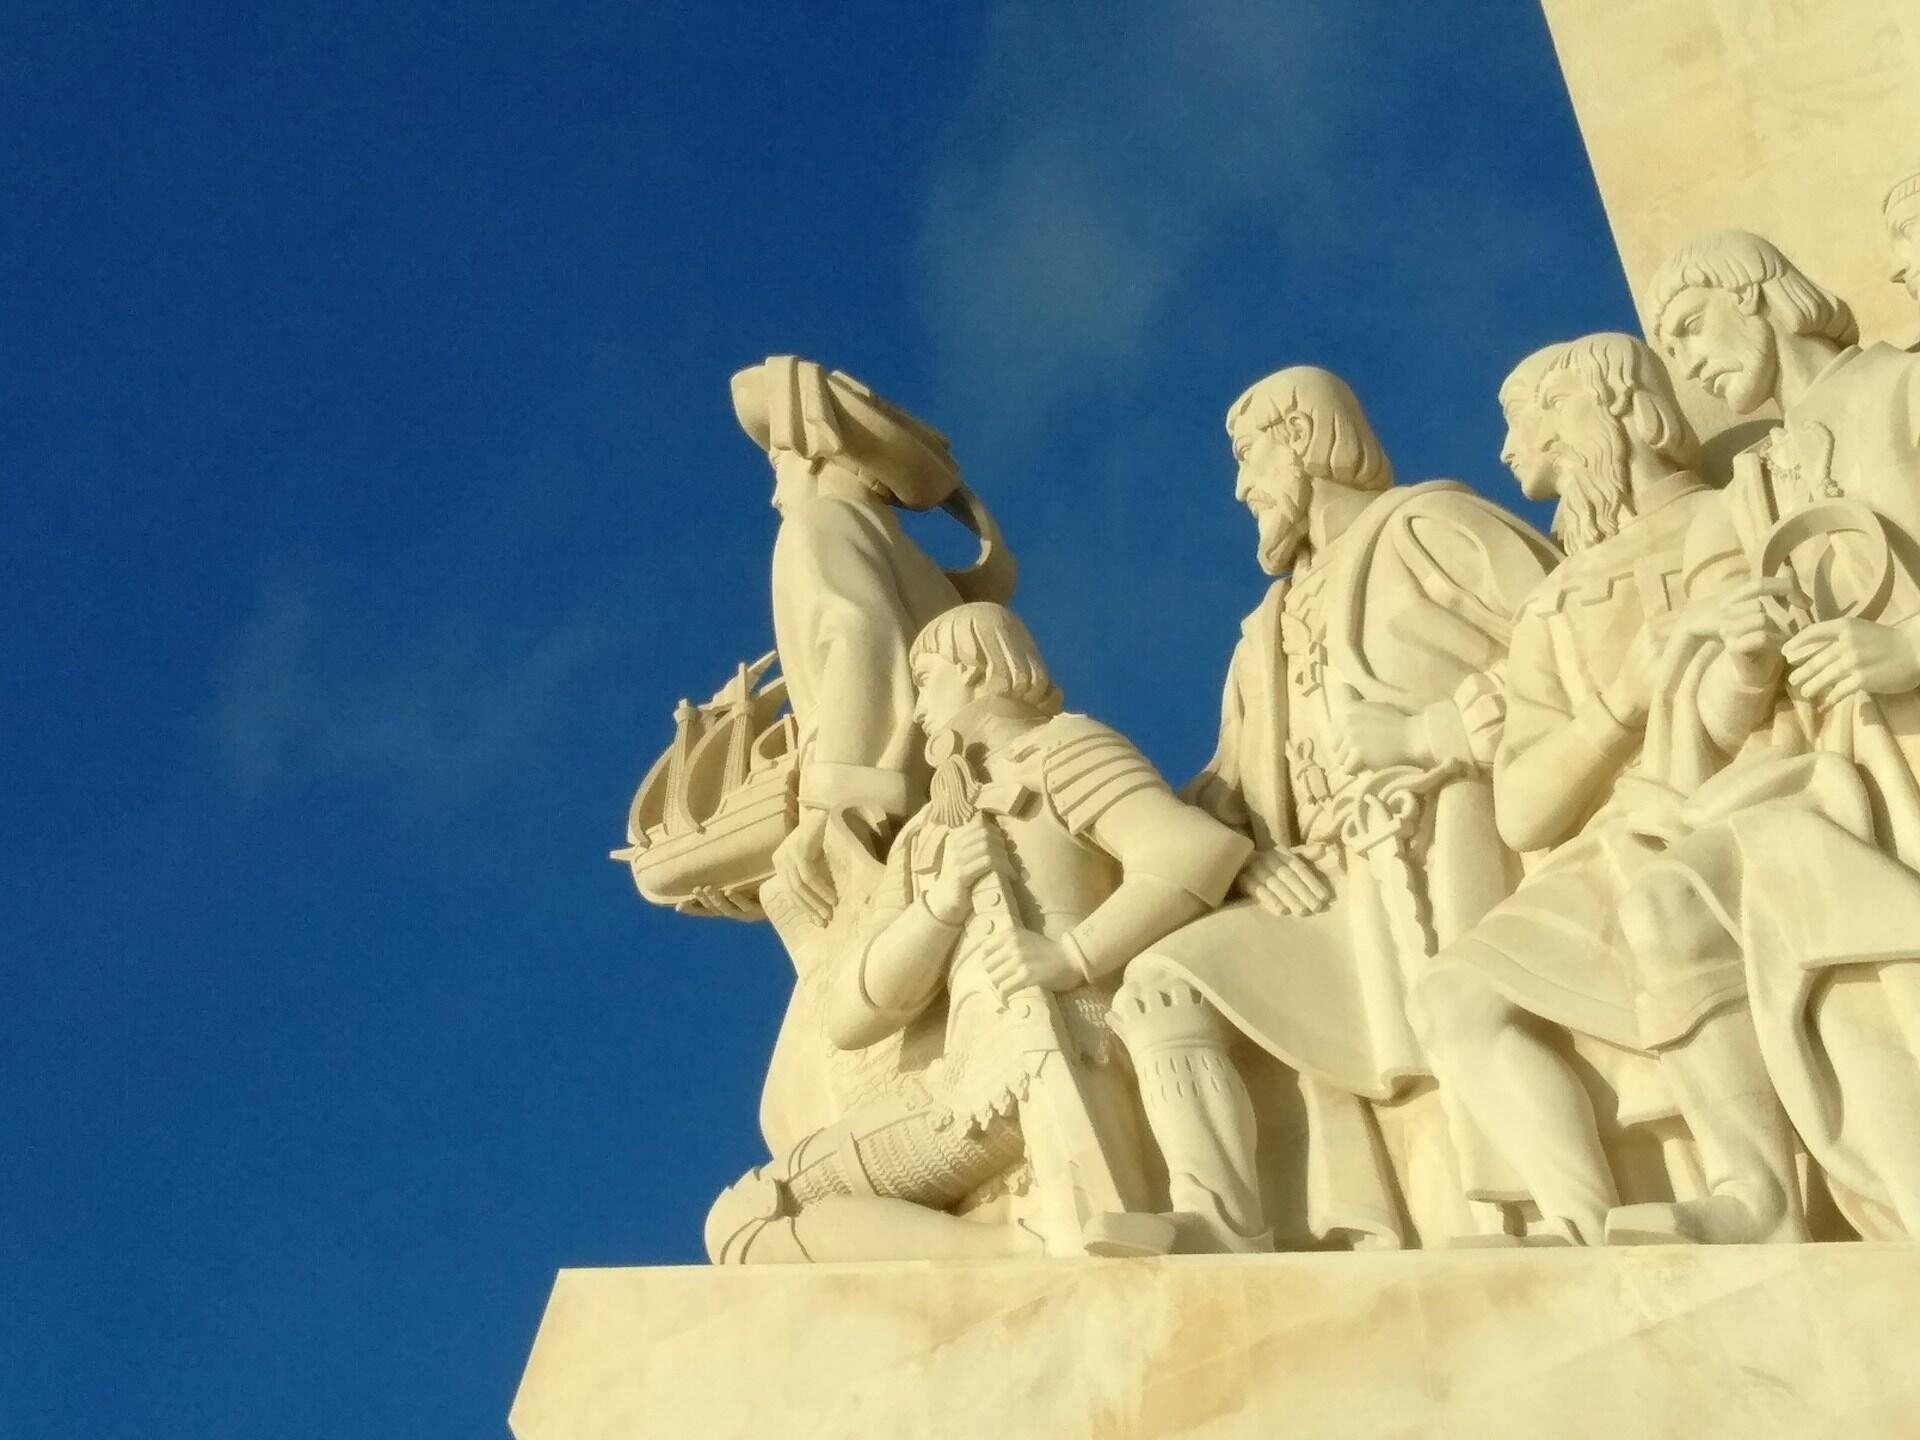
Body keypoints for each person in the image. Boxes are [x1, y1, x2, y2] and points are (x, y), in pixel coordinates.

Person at [1110, 366, 1558, 1252]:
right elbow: (1225, 785)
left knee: (1462, 1022)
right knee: (1159, 987)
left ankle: (1538, 1214)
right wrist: (1240, 856)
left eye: (1250, 457)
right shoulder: (1262, 632)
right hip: (1318, 890)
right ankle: (1221, 1227)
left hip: (1444, 833)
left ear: (1306, 441)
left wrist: (1438, 733)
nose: (1242, 488)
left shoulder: (1429, 528)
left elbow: (1571, 638)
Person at [1408, 333, 1803, 1247]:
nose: (1509, 452)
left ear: (1612, 405)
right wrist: (1625, 699)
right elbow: (1526, 809)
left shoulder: (1723, 519)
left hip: (1734, 802)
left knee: (1664, 909)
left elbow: (1733, 708)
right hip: (1609, 840)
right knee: (1454, 996)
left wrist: (1739, 663)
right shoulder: (1551, 606)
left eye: (1530, 419)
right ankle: (1584, 1225)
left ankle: (1762, 1194)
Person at [703, 603, 1249, 1263]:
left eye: (928, 678)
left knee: (750, 1221)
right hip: (965, 1085)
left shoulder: (1062, 748)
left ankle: (1031, 1249)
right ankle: (1013, 1254)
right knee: (746, 1223)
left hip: (1065, 1046)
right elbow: (851, 1013)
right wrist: (943, 903)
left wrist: (1071, 955)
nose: (917, 708)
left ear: (977, 668)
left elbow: (1192, 852)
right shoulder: (926, 833)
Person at [1625, 230, 1920, 1236]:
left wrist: (1910, 648)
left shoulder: (1899, 388)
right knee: (1677, 900)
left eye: (1694, 328)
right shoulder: (1746, 491)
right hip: (1836, 778)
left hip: (1907, 744)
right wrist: (1747, 660)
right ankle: (1759, 1195)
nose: (1693, 365)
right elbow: (1718, 716)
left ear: (1755, 296)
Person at [731, 355, 1015, 927]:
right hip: (951, 804)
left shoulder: (818, 525)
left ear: (819, 459)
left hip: (882, 819)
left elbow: (859, 637)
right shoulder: (922, 568)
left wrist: (827, 810)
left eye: (780, 462)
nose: (775, 493)